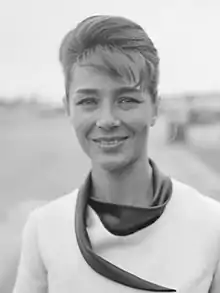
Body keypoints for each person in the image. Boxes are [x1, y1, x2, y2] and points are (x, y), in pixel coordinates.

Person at [13, 15, 220, 293]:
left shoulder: (211, 226)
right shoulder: (43, 230)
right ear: (68, 109)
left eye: (126, 100)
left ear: (155, 108)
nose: (107, 119)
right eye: (88, 101)